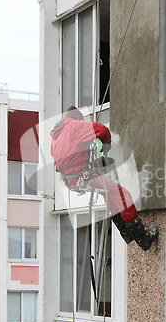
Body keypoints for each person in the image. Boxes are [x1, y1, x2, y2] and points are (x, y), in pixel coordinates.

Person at [50, 106, 158, 251]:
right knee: (122, 194)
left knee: (110, 195)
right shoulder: (75, 126)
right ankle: (142, 238)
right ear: (78, 118)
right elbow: (102, 130)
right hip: (83, 176)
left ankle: (126, 232)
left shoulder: (56, 136)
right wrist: (106, 145)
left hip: (71, 180)